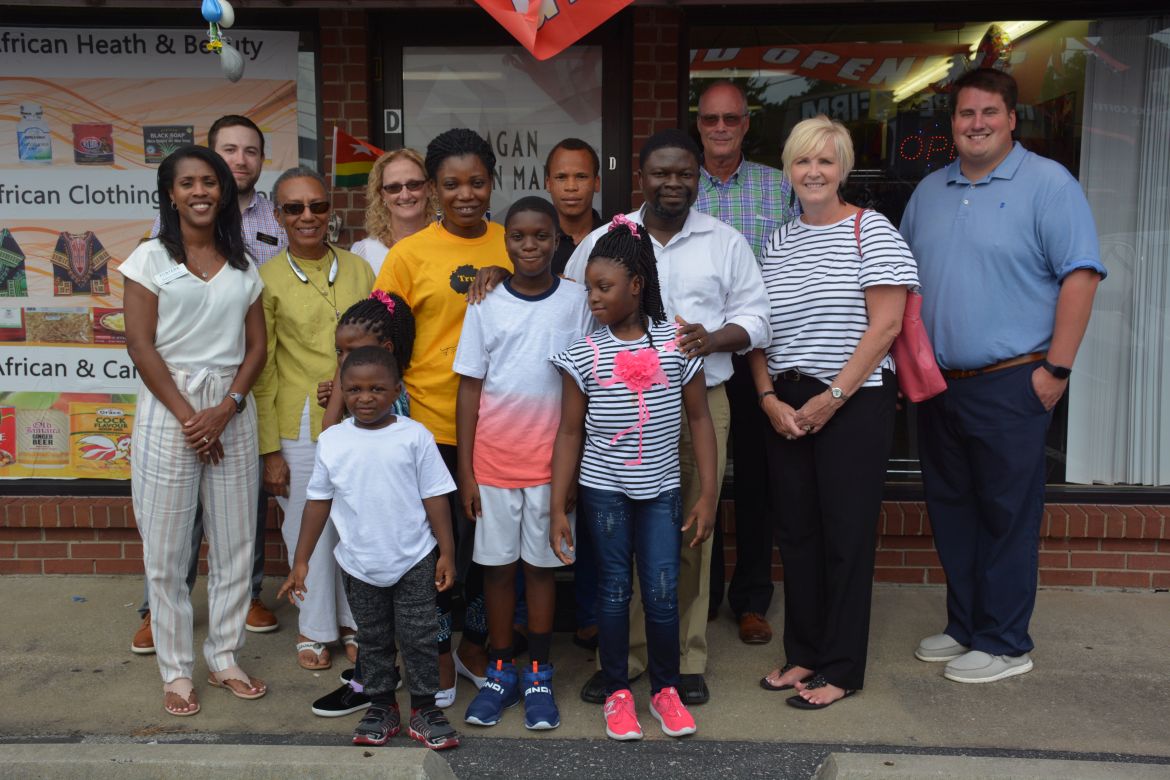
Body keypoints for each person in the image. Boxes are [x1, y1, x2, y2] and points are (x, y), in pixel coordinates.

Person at [901, 68, 1104, 684]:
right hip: (939, 385)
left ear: (1012, 119)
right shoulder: (929, 190)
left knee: (1007, 515)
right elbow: (901, 285)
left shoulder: (1049, 184)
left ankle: (1007, 642)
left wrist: (1056, 370)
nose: (977, 123)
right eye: (966, 113)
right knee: (953, 510)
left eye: (990, 112)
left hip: (1013, 380)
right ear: (953, 123)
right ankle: (966, 625)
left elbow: (1081, 277)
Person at [564, 129, 770, 706]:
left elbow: (758, 318)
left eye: (684, 173)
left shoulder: (724, 241)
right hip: (617, 409)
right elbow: (570, 307)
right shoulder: (609, 239)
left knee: (690, 534)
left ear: (697, 177)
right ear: (641, 177)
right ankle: (625, 659)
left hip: (699, 404)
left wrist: (714, 338)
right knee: (622, 541)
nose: (672, 183)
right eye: (661, 173)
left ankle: (685, 658)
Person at [748, 115, 917, 709]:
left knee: (846, 535)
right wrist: (767, 397)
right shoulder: (776, 242)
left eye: (825, 160)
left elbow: (886, 326)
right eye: (802, 160)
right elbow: (758, 329)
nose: (813, 171)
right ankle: (804, 653)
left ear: (843, 169)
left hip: (854, 400)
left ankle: (842, 667)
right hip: (786, 403)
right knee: (796, 534)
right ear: (788, 170)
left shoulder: (871, 231)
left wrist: (833, 398)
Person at [550, 216, 718, 740]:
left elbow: (699, 420)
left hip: (662, 490)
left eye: (605, 287)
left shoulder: (677, 344)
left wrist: (709, 493)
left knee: (663, 590)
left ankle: (666, 690)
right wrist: (557, 507)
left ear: (637, 285)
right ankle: (618, 691)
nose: (594, 297)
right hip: (604, 492)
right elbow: (569, 432)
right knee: (614, 590)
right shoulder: (583, 353)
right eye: (590, 288)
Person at [120, 144, 268, 716]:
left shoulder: (242, 262)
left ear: (223, 191)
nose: (201, 191)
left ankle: (224, 656)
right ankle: (177, 670)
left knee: (236, 544)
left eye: (210, 181)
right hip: (170, 410)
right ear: (171, 194)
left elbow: (257, 348)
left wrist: (225, 409)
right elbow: (140, 345)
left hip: (231, 409)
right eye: (188, 183)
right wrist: (190, 417)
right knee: (166, 550)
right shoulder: (149, 258)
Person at [374, 128, 512, 690]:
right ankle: (435, 648)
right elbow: (379, 339)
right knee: (430, 547)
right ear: (433, 188)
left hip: (501, 425)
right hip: (428, 425)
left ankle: (475, 643)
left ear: (491, 183)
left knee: (488, 548)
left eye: (476, 182)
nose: (465, 194)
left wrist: (509, 274)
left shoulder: (513, 241)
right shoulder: (407, 256)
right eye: (451, 184)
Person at [454, 197, 593, 730]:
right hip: (493, 463)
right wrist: (466, 471)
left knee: (540, 570)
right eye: (518, 236)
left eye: (540, 236)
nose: (529, 245)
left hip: (551, 466)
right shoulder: (485, 301)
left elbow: (587, 385)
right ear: (505, 240)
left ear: (558, 240)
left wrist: (573, 472)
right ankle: (499, 670)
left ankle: (537, 672)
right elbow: (470, 387)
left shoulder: (577, 301)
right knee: (496, 571)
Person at [277, 346, 460, 750]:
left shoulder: (414, 436)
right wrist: (301, 560)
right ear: (341, 391)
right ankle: (381, 706)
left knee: (419, 637)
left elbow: (435, 497)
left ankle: (425, 709)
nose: (365, 398)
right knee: (372, 639)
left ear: (397, 389)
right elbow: (317, 503)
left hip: (414, 558)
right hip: (358, 563)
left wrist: (446, 552)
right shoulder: (333, 440)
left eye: (377, 388)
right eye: (355, 389)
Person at [310, 292, 462, 715]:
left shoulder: (384, 399)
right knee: (379, 617)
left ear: (386, 351)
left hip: (404, 526)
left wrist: (341, 393)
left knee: (416, 612)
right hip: (378, 527)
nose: (344, 360)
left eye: (352, 352)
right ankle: (377, 681)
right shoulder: (369, 387)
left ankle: (417, 683)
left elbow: (329, 429)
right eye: (339, 353)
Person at [253, 167, 376, 671]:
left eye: (317, 206)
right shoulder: (266, 279)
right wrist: (270, 451)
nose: (308, 216)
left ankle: (353, 622)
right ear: (278, 216)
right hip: (298, 422)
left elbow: (379, 342)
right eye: (294, 208)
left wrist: (348, 387)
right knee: (307, 527)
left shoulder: (359, 270)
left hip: (361, 417)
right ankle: (314, 626)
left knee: (354, 525)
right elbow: (262, 368)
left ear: (331, 210)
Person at [694, 81, 798, 644]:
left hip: (762, 357)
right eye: (711, 119)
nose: (720, 128)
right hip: (699, 359)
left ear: (746, 123)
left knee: (759, 480)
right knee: (699, 476)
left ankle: (753, 599)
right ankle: (704, 594)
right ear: (699, 124)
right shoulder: (681, 184)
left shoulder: (778, 187)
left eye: (730, 119)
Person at [350, 148, 436, 274]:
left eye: (414, 185)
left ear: (429, 188)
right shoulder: (364, 253)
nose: (405, 196)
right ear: (382, 195)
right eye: (394, 187)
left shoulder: (449, 245)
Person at [546, 138, 604, 278]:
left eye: (581, 177)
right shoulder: (534, 245)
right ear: (548, 183)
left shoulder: (612, 239)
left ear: (596, 183)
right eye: (561, 177)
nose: (571, 187)